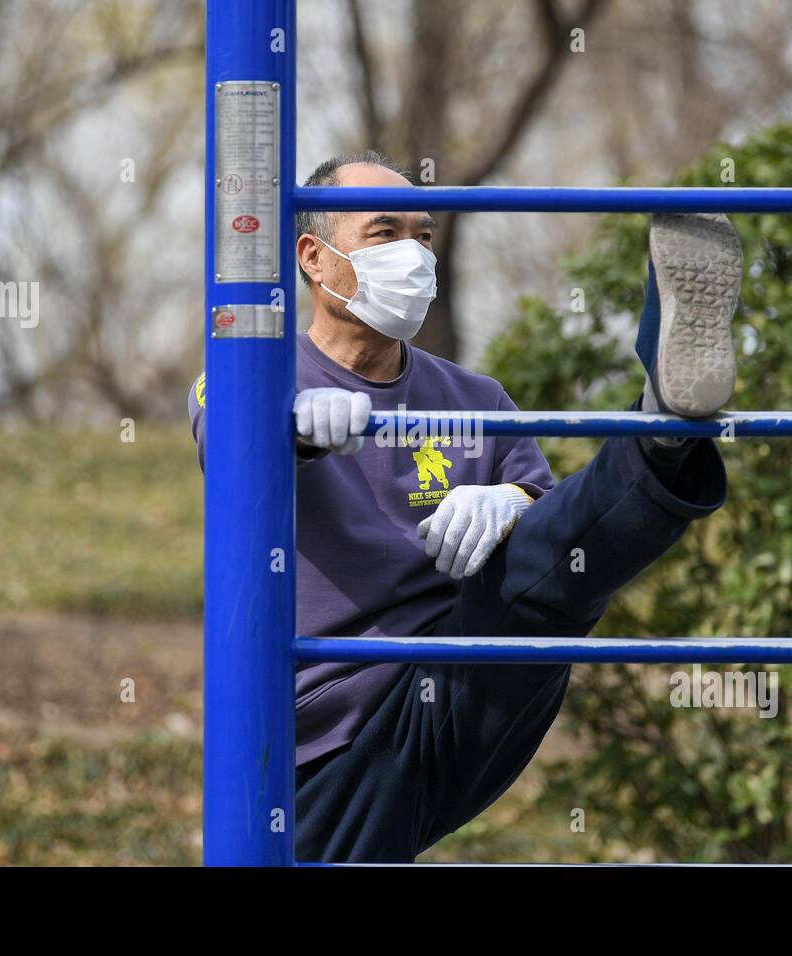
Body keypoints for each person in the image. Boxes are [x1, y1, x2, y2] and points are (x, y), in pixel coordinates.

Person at [188, 150, 741, 862]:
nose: (416, 256)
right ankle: (660, 432)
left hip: (463, 676)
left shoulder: (477, 399)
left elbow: (554, 514)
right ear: (314, 258)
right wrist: (284, 427)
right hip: (335, 729)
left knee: (543, 580)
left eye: (425, 236)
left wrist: (510, 497)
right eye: (386, 235)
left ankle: (662, 428)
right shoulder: (255, 373)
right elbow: (221, 433)